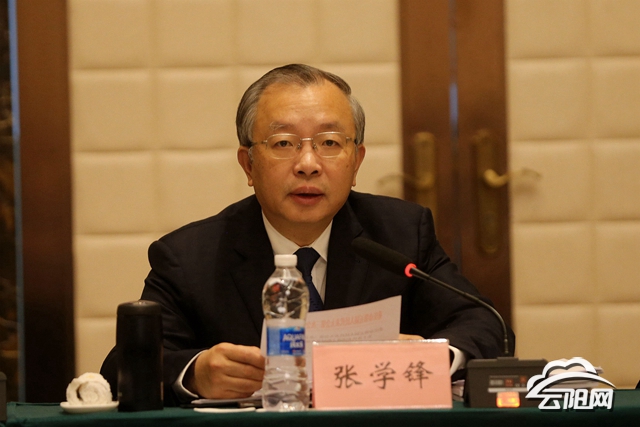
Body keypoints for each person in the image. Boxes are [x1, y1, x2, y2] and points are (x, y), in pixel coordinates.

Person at [101, 64, 514, 406]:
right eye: (283, 143)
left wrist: (432, 357)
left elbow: (484, 324)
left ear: (356, 162)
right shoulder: (189, 257)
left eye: (330, 142)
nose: (308, 163)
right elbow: (122, 366)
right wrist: (195, 374)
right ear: (248, 164)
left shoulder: (400, 234)